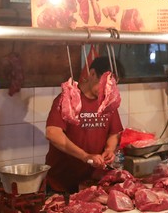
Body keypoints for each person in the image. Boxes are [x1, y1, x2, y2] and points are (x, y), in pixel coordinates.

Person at [45, 57, 123, 193]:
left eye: (112, 87)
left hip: (91, 183)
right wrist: (85, 156)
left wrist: (109, 149)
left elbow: (114, 133)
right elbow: (53, 133)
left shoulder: (107, 102)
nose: (107, 91)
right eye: (104, 85)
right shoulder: (67, 99)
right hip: (61, 183)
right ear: (92, 74)